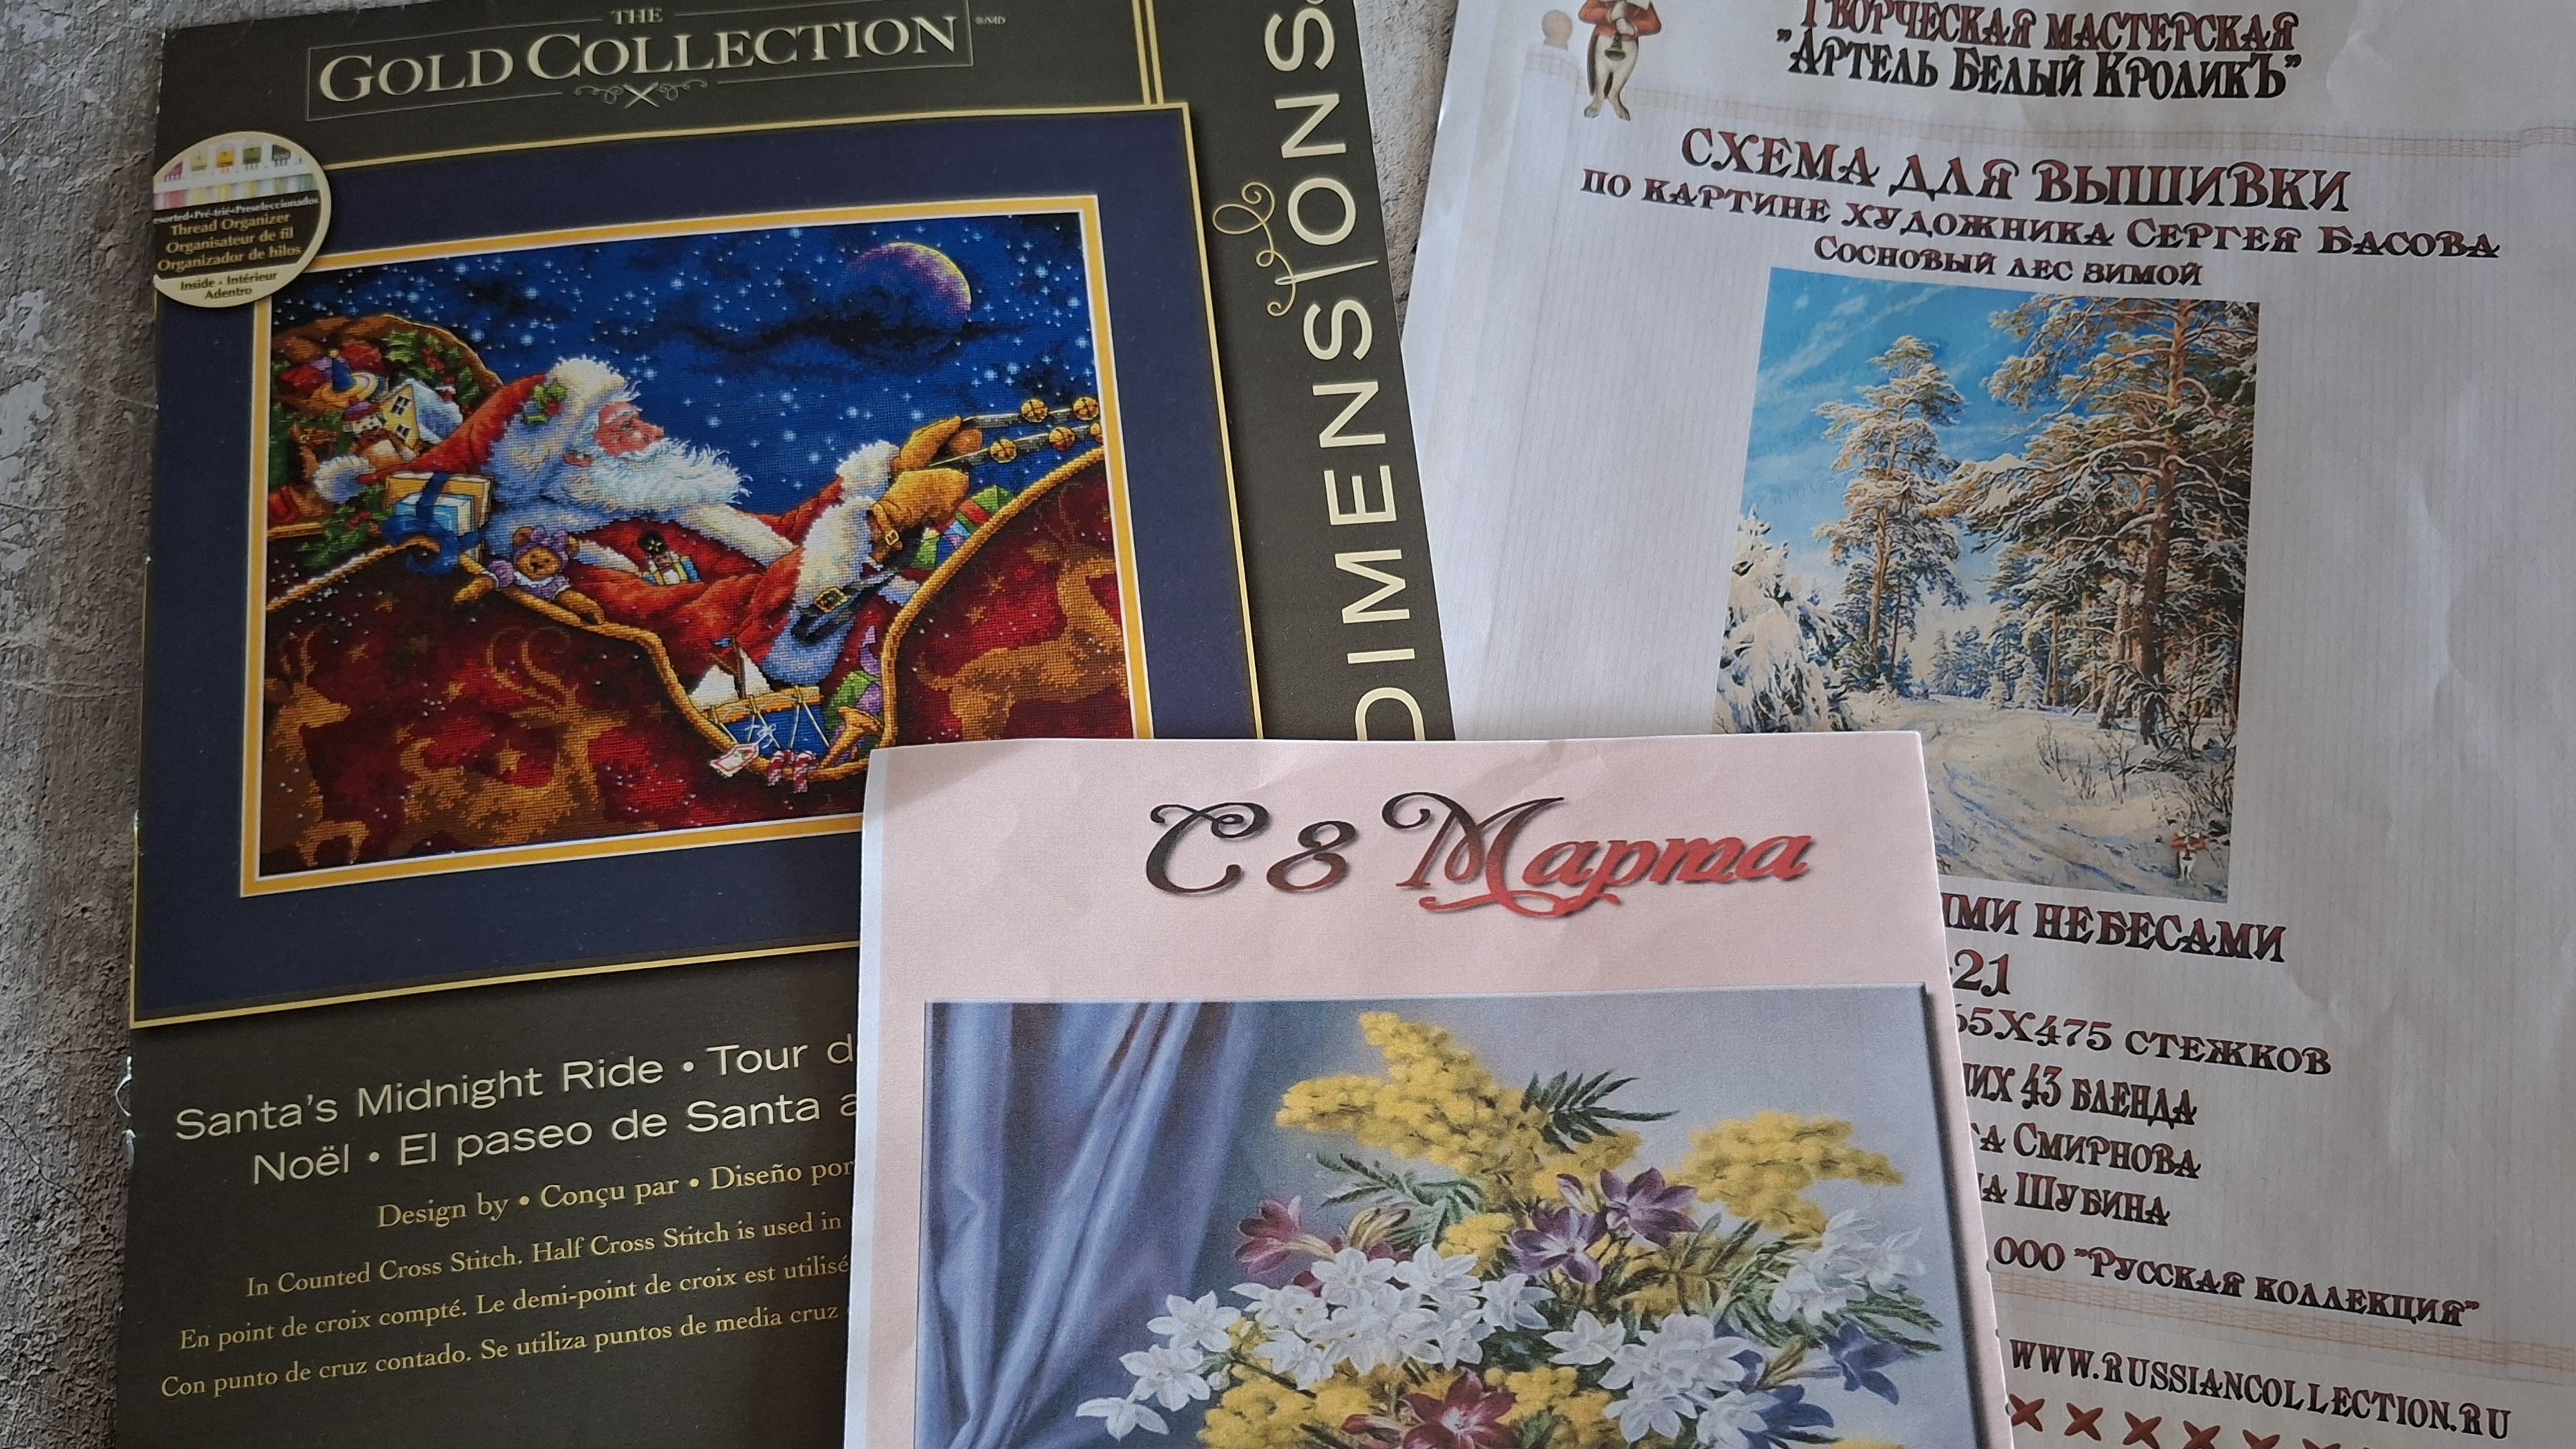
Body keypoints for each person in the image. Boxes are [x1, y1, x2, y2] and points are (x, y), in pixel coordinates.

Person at [311, 355, 975, 698]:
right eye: (628, 426)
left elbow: (784, 538)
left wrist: (884, 474)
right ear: (575, 457)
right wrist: (879, 521)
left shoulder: (663, 507)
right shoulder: (556, 552)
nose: (654, 432)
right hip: (764, 688)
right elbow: (689, 622)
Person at [1579, 0, 1661, 119]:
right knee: (1601, 73)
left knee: (1621, 74)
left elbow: (1654, 25)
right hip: (1604, 40)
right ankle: (1598, 98)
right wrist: (1609, 14)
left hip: (1628, 46)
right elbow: (1585, 13)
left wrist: (1633, 28)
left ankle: (1614, 95)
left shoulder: (1641, 3)